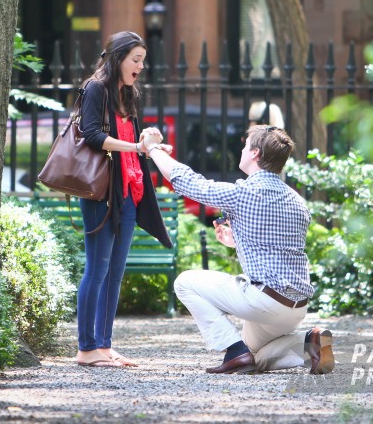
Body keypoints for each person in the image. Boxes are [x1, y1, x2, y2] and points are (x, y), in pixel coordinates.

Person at [140, 124, 335, 375]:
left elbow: (188, 182)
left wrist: (153, 148)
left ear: (255, 153)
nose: (241, 150)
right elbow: (278, 246)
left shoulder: (244, 192)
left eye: (245, 146)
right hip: (296, 307)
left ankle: (232, 350)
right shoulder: (297, 200)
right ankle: (311, 342)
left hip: (265, 300)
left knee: (185, 282)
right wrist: (236, 240)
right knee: (254, 357)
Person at [75, 31, 172, 368]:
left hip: (130, 190)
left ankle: (104, 345)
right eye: (136, 60)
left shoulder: (128, 92)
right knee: (97, 269)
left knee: (115, 273)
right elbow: (91, 135)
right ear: (118, 58)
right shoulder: (96, 88)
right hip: (102, 192)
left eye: (143, 61)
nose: (140, 67)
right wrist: (135, 147)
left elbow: (131, 138)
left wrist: (148, 139)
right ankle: (86, 348)